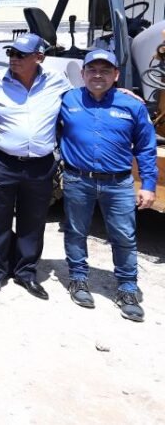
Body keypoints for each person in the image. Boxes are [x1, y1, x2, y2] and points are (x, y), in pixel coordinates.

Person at [59, 49, 157, 322]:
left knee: (124, 236)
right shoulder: (68, 99)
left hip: (119, 183)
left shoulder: (132, 105)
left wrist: (148, 185)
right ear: (82, 74)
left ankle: (127, 288)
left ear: (116, 75)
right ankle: (78, 279)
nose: (97, 75)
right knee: (75, 231)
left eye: (105, 70)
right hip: (78, 179)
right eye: (92, 69)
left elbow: (146, 148)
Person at [0, 33, 71, 298]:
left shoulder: (57, 81)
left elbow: (83, 96)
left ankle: (25, 273)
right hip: (3, 162)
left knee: (33, 222)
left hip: (41, 166)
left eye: (21, 55)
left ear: (39, 57)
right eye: (11, 53)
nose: (14, 58)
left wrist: (119, 92)